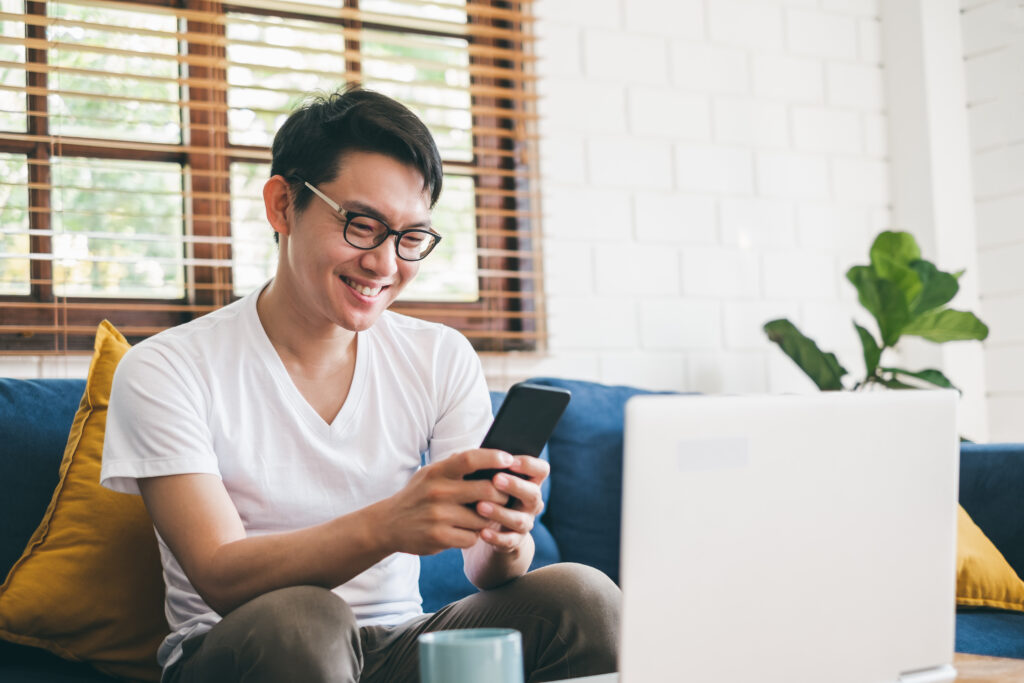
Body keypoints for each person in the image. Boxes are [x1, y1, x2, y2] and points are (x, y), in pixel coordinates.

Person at [99, 85, 620, 683]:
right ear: (281, 205)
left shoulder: (439, 355)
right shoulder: (167, 368)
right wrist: (388, 523)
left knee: (585, 599)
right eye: (362, 225)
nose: (385, 263)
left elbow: (483, 571)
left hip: (399, 642)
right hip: (245, 646)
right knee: (306, 618)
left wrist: (502, 536)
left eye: (410, 238)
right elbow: (219, 575)